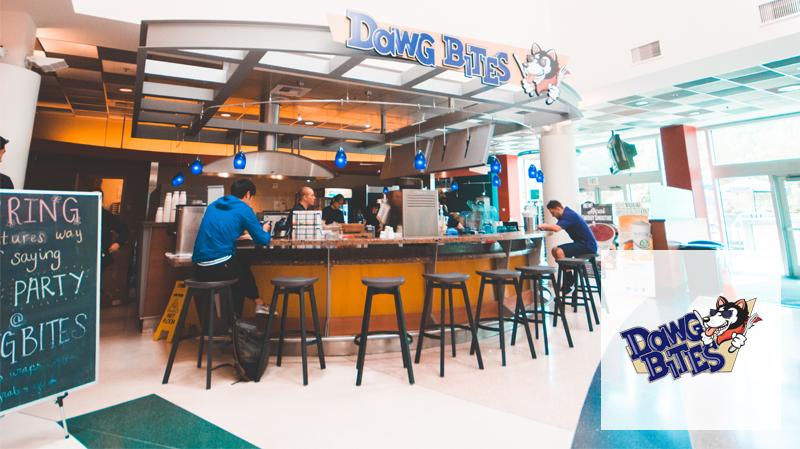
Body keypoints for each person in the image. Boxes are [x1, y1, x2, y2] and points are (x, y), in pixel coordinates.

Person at [192, 179, 273, 317]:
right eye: (251, 198)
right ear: (248, 194)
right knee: (240, 277)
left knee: (241, 264)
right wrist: (265, 229)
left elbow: (219, 227)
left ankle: (257, 305)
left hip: (198, 268)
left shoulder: (213, 205)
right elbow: (262, 240)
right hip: (218, 267)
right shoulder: (244, 209)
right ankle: (236, 324)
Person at [538, 200, 597, 292]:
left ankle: (569, 280)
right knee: (554, 250)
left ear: (558, 209)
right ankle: (569, 277)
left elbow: (557, 228)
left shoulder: (568, 215)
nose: (552, 215)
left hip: (587, 246)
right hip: (581, 243)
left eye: (553, 212)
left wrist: (543, 226)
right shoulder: (567, 214)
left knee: (559, 251)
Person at [92, 189, 130, 271]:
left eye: (98, 197)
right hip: (81, 255)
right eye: (93, 197)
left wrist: (118, 243)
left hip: (100, 256)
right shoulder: (80, 213)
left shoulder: (106, 215)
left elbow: (124, 229)